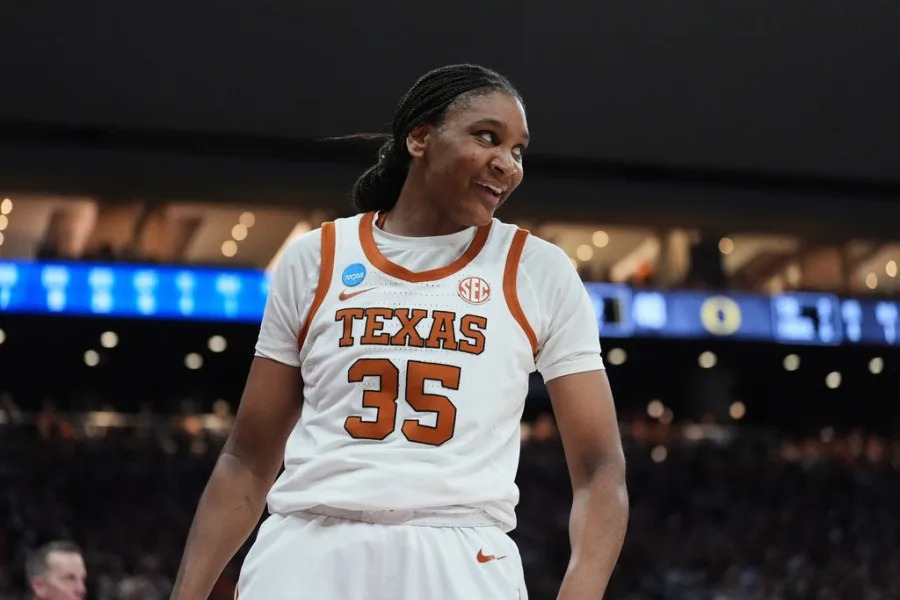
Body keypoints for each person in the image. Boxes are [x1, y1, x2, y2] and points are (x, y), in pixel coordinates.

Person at [170, 64, 628, 599]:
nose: (507, 164)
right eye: (488, 137)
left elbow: (601, 469)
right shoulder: (317, 258)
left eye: (519, 150)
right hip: (308, 549)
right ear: (419, 138)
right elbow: (247, 460)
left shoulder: (538, 270)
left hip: (460, 552)